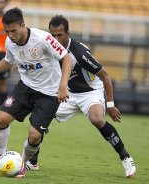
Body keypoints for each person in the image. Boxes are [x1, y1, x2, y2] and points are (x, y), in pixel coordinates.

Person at [27, 15, 136, 178]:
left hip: (90, 92)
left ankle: (126, 157)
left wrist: (111, 105)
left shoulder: (80, 52)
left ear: (68, 34)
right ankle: (33, 161)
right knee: (41, 117)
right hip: (68, 93)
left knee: (97, 119)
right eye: (53, 35)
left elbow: (105, 76)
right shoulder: (48, 48)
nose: (56, 39)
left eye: (60, 35)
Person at [0, 8, 72, 178]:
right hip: (26, 87)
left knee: (35, 136)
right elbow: (8, 61)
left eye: (13, 30)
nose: (10, 35)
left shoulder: (43, 39)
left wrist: (63, 84)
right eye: (7, 31)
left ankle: (22, 162)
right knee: (0, 120)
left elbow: (66, 58)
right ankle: (0, 154)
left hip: (49, 93)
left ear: (23, 25)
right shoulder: (9, 42)